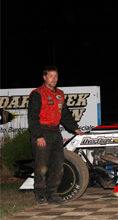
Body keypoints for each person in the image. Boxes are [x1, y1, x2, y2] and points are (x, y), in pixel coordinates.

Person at [28, 65, 86, 206]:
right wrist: (38, 135)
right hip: (42, 133)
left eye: (55, 76)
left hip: (55, 132)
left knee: (58, 166)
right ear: (44, 77)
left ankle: (51, 194)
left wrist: (76, 129)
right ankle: (40, 195)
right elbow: (32, 117)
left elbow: (65, 115)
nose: (53, 79)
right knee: (41, 167)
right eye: (51, 76)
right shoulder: (38, 93)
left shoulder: (60, 94)